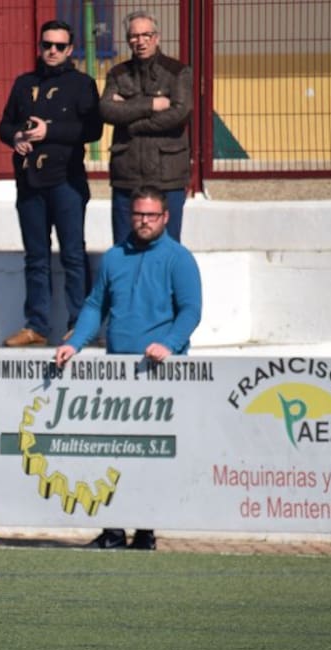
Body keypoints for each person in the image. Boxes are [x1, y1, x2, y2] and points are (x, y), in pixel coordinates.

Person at [54, 186, 202, 551]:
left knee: (150, 456)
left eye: (151, 215)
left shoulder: (179, 258)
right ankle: (113, 531)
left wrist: (169, 344)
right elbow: (95, 306)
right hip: (117, 376)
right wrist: (75, 342)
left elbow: (191, 310)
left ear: (165, 217)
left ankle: (146, 531)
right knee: (112, 453)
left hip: (159, 375)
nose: (144, 221)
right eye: (138, 214)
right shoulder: (114, 257)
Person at [0, 19, 102, 348]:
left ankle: (80, 325)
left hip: (66, 181)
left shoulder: (82, 84)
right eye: (47, 45)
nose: (52, 51)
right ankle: (37, 326)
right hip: (30, 182)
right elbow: (4, 125)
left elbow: (93, 129)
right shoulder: (24, 83)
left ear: (70, 49)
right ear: (39, 46)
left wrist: (49, 132)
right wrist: (16, 137)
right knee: (36, 256)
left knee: (73, 254)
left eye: (59, 46)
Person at [99, 10, 192, 245]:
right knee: (124, 246)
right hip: (126, 173)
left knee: (167, 246)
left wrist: (132, 120)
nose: (140, 41)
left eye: (146, 35)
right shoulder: (117, 74)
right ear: (128, 40)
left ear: (157, 37)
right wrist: (151, 104)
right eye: (134, 36)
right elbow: (107, 110)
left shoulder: (177, 72)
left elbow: (179, 114)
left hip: (168, 174)